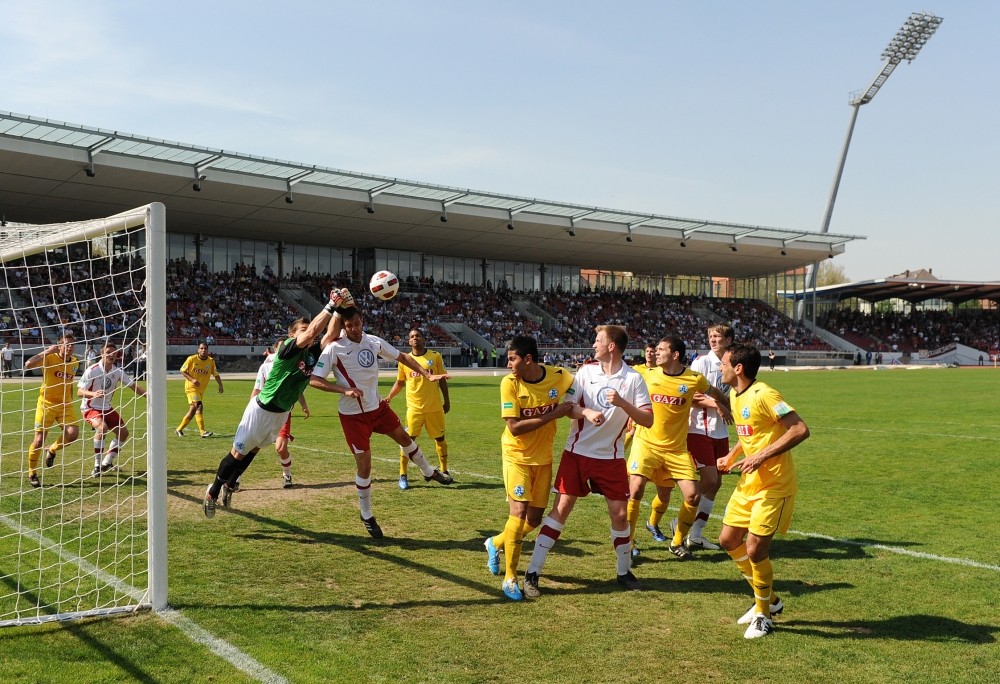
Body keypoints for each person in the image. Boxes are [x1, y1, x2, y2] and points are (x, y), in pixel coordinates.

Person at [522, 324, 653, 597]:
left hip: (611, 457)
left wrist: (623, 404)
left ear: (611, 346)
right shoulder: (585, 372)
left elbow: (648, 419)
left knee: (620, 514)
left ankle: (623, 571)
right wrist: (587, 412)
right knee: (562, 509)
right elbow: (569, 408)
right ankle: (533, 572)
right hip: (577, 454)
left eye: (598, 340)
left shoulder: (633, 379)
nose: (594, 344)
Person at [309, 304, 453, 539]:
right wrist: (343, 390)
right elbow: (314, 380)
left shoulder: (373, 341)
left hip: (377, 408)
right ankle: (366, 515)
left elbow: (402, 356)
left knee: (405, 438)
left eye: (357, 324)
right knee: (365, 466)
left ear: (362, 322)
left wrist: (427, 374)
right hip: (353, 417)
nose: (354, 329)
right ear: (343, 327)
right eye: (349, 326)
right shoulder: (334, 348)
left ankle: (428, 471)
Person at [203, 289, 349, 518]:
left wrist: (340, 310)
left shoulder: (311, 355)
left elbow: (329, 336)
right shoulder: (287, 350)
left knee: (254, 450)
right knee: (237, 454)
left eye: (306, 330)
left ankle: (230, 486)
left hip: (281, 413)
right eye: (301, 331)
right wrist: (330, 305)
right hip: (261, 410)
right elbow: (312, 333)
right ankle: (212, 492)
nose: (307, 334)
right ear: (292, 336)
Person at [717, 343, 810, 639]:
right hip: (749, 483)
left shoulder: (765, 394)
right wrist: (732, 456)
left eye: (723, 363)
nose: (720, 368)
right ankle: (768, 600)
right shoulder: (735, 394)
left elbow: (799, 429)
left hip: (774, 485)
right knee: (728, 539)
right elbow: (749, 434)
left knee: (756, 549)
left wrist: (760, 457)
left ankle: (763, 615)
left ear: (738, 368)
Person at [483, 335, 574, 601]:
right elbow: (514, 427)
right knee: (519, 513)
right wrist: (553, 414)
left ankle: (495, 543)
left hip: (543, 457)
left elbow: (583, 390)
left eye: (512, 359)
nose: (508, 363)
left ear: (529, 359)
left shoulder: (559, 377)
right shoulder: (509, 383)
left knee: (534, 520)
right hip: (516, 455)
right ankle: (510, 578)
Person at [627, 336, 725, 560]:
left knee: (692, 496)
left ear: (675, 355)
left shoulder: (694, 379)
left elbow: (713, 392)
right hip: (646, 443)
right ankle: (628, 542)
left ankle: (678, 541)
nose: (655, 353)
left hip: (676, 449)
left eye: (661, 349)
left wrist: (723, 403)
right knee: (636, 489)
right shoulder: (645, 375)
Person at [665, 323, 735, 551]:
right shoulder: (702, 362)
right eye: (711, 336)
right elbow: (691, 396)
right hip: (699, 428)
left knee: (717, 483)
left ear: (729, 340)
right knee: (710, 480)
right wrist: (719, 405)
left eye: (718, 336)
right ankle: (680, 523)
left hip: (720, 431)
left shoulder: (731, 363)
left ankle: (695, 534)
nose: (713, 340)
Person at [385, 327, 451, 490]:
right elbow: (400, 382)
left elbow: (442, 380)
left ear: (423, 339)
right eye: (412, 336)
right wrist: (389, 397)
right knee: (407, 440)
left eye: (418, 336)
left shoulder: (435, 357)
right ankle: (403, 474)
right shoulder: (405, 360)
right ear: (409, 341)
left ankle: (444, 470)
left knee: (440, 439)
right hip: (414, 409)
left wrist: (447, 401)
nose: (415, 338)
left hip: (434, 407)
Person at [78, 341, 147, 477]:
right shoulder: (92, 370)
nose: (111, 355)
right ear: (102, 354)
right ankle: (97, 466)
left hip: (107, 407)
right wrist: (94, 394)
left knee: (124, 433)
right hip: (90, 407)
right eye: (108, 352)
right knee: (102, 428)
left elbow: (133, 386)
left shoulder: (117, 371)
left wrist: (148, 395)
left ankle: (107, 462)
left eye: (114, 353)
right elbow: (79, 391)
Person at [250, 337, 310, 488]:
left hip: (283, 413)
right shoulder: (265, 367)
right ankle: (235, 479)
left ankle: (287, 475)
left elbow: (297, 389)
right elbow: (257, 390)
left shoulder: (292, 367)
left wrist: (304, 405)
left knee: (281, 448)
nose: (285, 348)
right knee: (251, 445)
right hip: (263, 412)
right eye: (281, 346)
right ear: (276, 349)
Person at [22, 334, 81, 487]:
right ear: (59, 346)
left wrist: (71, 399)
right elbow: (28, 364)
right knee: (39, 440)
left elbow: (70, 384)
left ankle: (52, 450)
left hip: (65, 405)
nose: (70, 347)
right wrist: (47, 352)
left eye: (72, 345)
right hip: (46, 404)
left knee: (73, 433)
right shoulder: (50, 358)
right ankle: (32, 473)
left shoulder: (75, 362)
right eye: (67, 344)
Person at [176, 342, 224, 438]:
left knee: (193, 410)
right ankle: (202, 432)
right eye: (201, 348)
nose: (203, 350)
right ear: (198, 350)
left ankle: (179, 429)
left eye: (205, 348)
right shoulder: (192, 359)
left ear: (207, 350)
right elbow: (182, 370)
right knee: (199, 406)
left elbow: (216, 374)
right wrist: (192, 380)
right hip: (191, 387)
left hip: (201, 390)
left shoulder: (210, 361)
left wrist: (220, 385)